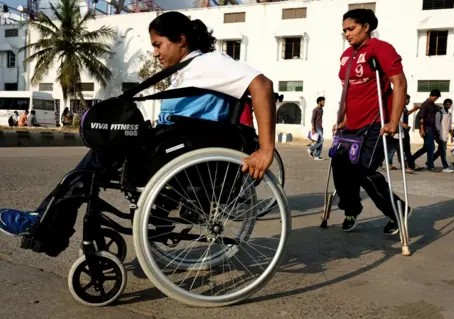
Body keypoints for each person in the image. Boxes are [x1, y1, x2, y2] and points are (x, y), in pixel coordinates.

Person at [0, 11, 276, 237]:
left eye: (158, 45)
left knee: (100, 154)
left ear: (181, 40)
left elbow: (262, 85)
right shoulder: (185, 71)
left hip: (186, 148)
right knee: (99, 154)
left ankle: (44, 223)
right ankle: (48, 221)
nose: (155, 53)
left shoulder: (210, 63)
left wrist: (265, 149)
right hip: (174, 144)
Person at [331, 8, 411, 235]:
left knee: (363, 171)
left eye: (351, 28)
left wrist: (393, 122)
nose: (347, 33)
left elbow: (400, 84)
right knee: (340, 166)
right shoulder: (347, 54)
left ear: (366, 26)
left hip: (376, 123)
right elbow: (349, 90)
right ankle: (351, 209)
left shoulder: (381, 49)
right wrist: (344, 119)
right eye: (344, 30)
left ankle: (397, 211)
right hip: (352, 125)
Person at [412, 89, 442, 172]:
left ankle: (410, 159)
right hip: (426, 128)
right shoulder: (425, 104)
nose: (435, 99)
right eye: (435, 98)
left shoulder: (432, 105)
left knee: (426, 147)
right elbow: (421, 117)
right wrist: (421, 129)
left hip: (431, 128)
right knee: (430, 147)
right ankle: (430, 165)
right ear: (431, 95)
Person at [432, 99, 454, 173]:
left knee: (440, 151)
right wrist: (438, 135)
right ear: (444, 104)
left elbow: (450, 126)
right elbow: (437, 125)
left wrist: (451, 136)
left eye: (449, 104)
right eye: (447, 104)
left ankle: (429, 161)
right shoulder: (439, 113)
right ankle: (445, 166)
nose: (448, 106)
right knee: (443, 151)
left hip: (446, 135)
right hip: (440, 135)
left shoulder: (450, 114)